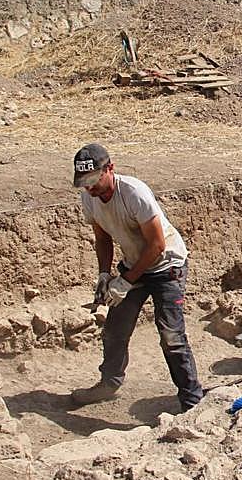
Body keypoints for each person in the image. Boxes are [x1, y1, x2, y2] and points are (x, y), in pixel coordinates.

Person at [69, 143, 204, 411]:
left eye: (94, 180)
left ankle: (192, 401)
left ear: (110, 169)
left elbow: (156, 246)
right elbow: (102, 238)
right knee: (115, 330)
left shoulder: (134, 193)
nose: (90, 188)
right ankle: (109, 383)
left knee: (171, 335)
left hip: (167, 266)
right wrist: (105, 275)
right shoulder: (89, 197)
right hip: (135, 264)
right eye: (84, 183)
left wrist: (127, 281)